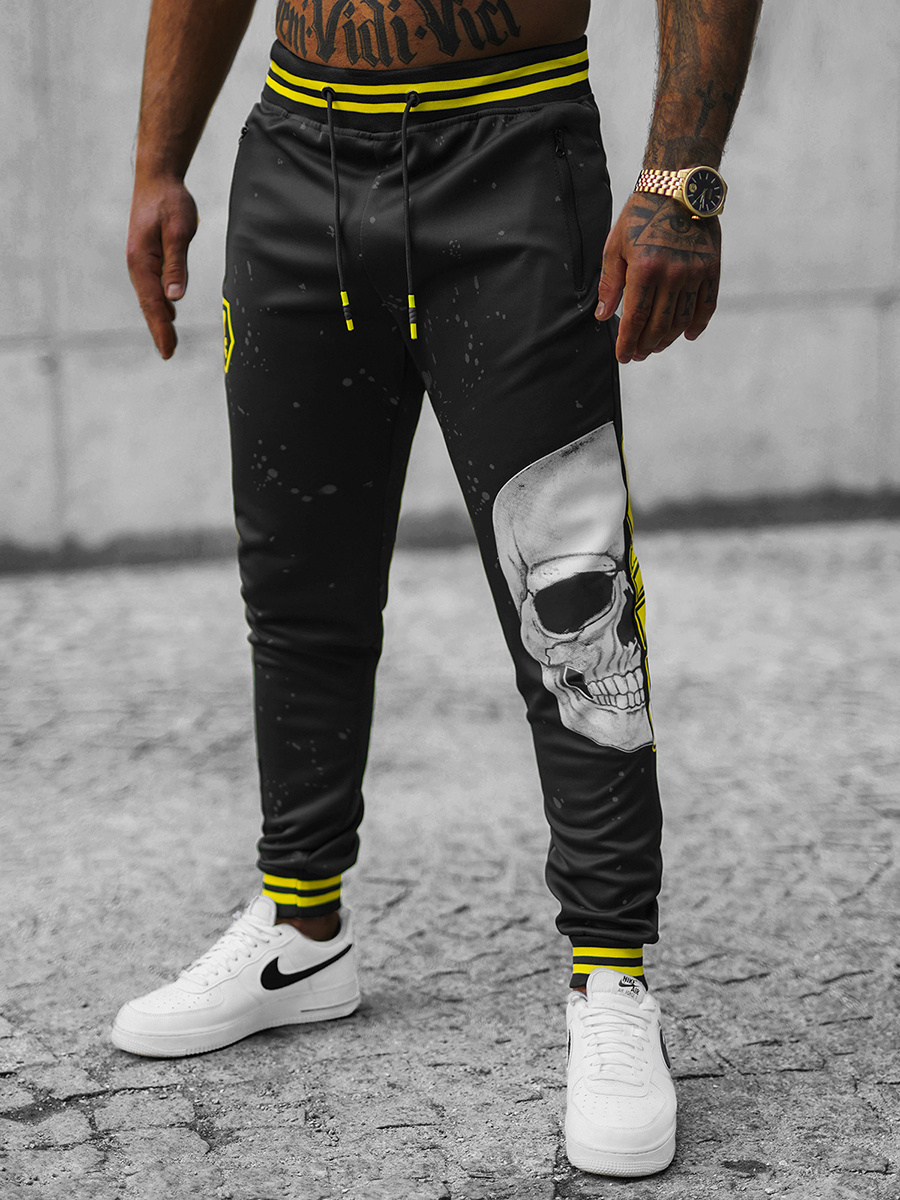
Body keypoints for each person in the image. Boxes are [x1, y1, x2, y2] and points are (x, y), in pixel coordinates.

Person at [116, 0, 762, 1178]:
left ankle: (611, 975)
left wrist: (684, 182)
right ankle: (300, 927)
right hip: (296, 156)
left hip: (511, 157)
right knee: (297, 582)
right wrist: (160, 162)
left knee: (574, 600)